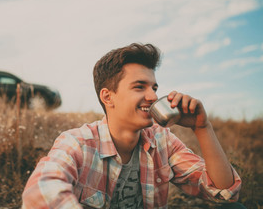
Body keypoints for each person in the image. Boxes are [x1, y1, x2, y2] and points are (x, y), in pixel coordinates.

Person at [22, 43, 242, 208]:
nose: (153, 96)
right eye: (140, 87)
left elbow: (224, 192)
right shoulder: (78, 143)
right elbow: (40, 193)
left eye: (154, 88)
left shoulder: (161, 140)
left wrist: (203, 128)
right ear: (108, 97)